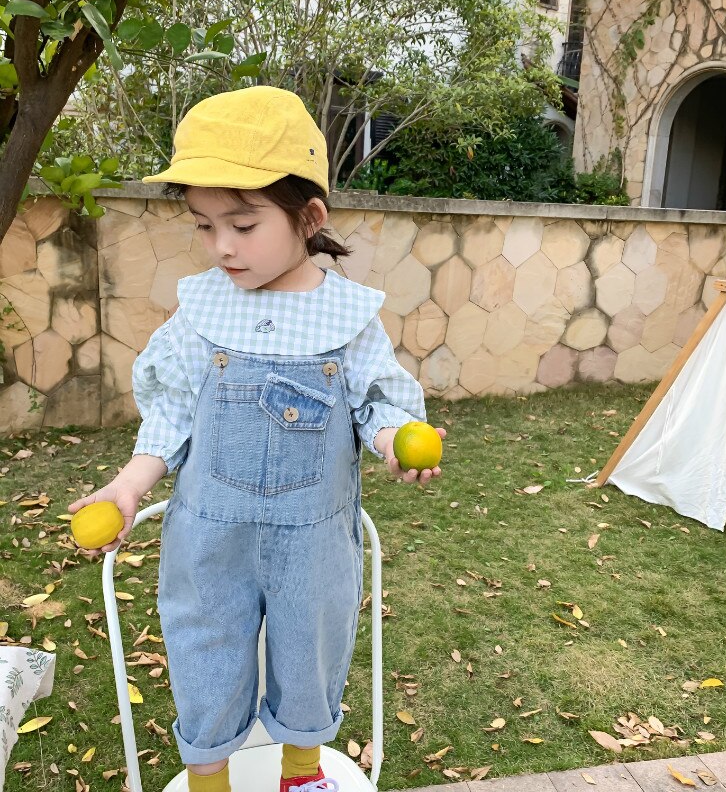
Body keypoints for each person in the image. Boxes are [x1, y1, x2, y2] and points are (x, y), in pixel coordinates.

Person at [68, 85, 445, 792]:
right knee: (205, 651)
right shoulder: (201, 308)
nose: (221, 246)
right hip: (208, 540)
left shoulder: (348, 317)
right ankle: (211, 780)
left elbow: (377, 402)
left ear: (309, 217)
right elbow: (171, 414)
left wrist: (397, 438)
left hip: (315, 539)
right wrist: (126, 487)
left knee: (311, 652)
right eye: (205, 225)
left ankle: (300, 772)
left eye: (242, 224)